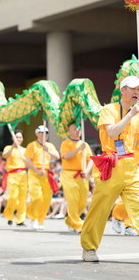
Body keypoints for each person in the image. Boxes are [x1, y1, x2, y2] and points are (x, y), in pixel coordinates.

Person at [81, 76, 139, 261]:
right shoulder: (108, 109)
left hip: (131, 166)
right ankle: (89, 248)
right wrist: (130, 114)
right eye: (133, 88)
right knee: (99, 209)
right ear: (123, 90)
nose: (136, 92)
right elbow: (112, 133)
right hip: (111, 165)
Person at [24, 125, 60, 230]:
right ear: (37, 133)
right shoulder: (32, 145)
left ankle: (40, 220)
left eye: (47, 132)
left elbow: (57, 156)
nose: (45, 134)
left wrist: (47, 150)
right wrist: (37, 171)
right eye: (43, 132)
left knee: (47, 198)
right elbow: (28, 160)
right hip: (35, 173)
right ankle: (34, 218)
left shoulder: (49, 145)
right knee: (37, 197)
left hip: (46, 173)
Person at [60, 123, 93, 233]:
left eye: (79, 129)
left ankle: (70, 220)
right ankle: (78, 225)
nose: (77, 131)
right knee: (73, 200)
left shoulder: (85, 144)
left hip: (82, 175)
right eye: (74, 129)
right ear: (69, 132)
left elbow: (91, 160)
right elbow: (66, 156)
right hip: (69, 175)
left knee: (83, 202)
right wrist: (78, 149)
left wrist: (87, 171)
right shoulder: (66, 143)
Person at [2, 130, 27, 226]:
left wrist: (27, 160)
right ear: (13, 138)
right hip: (12, 175)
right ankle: (9, 216)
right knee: (12, 197)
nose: (18, 139)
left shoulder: (24, 150)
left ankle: (20, 219)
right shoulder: (8, 148)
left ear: (22, 139)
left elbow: (29, 161)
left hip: (23, 175)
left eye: (20, 137)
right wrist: (13, 146)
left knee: (22, 199)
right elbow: (6, 156)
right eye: (16, 137)